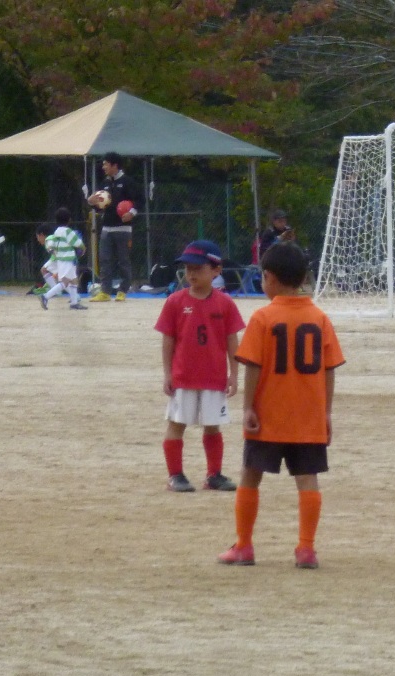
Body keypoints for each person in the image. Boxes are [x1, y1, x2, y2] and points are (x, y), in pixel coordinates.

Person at [217, 242, 345, 569]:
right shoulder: (319, 318)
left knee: (250, 475)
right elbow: (329, 368)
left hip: (268, 415)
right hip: (308, 416)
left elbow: (253, 365)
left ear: (269, 277)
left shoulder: (263, 317)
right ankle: (306, 548)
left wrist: (248, 408)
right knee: (307, 478)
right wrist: (326, 413)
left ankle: (244, 546)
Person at [155, 240, 246, 493]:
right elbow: (168, 340)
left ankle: (213, 474)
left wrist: (234, 375)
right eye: (188, 268)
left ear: (216, 270)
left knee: (213, 425)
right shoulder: (175, 301)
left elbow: (231, 340)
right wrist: (167, 373)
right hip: (183, 377)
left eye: (198, 268)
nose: (191, 274)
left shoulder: (225, 303)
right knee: (177, 423)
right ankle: (175, 475)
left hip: (214, 377)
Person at [88, 152, 144, 302]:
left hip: (123, 229)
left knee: (123, 260)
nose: (103, 167)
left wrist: (132, 213)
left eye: (106, 164)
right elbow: (99, 208)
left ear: (115, 165)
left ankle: (123, 290)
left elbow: (140, 200)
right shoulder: (104, 184)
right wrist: (91, 202)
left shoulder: (127, 182)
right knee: (105, 260)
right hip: (106, 228)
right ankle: (105, 291)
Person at [40, 208, 87, 311]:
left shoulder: (57, 231)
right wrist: (83, 248)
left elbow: (53, 244)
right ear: (69, 220)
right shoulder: (68, 231)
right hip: (67, 259)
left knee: (74, 280)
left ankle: (74, 303)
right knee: (65, 282)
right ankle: (46, 296)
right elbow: (77, 243)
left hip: (61, 259)